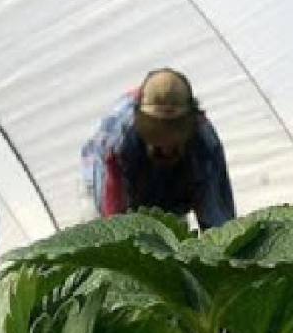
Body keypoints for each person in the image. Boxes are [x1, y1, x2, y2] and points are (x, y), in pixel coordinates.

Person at [80, 68, 235, 230]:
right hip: (112, 186)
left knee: (173, 234)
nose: (167, 148)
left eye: (176, 133)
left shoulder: (205, 144)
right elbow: (113, 220)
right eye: (157, 134)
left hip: (173, 189)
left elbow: (218, 218)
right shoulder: (117, 145)